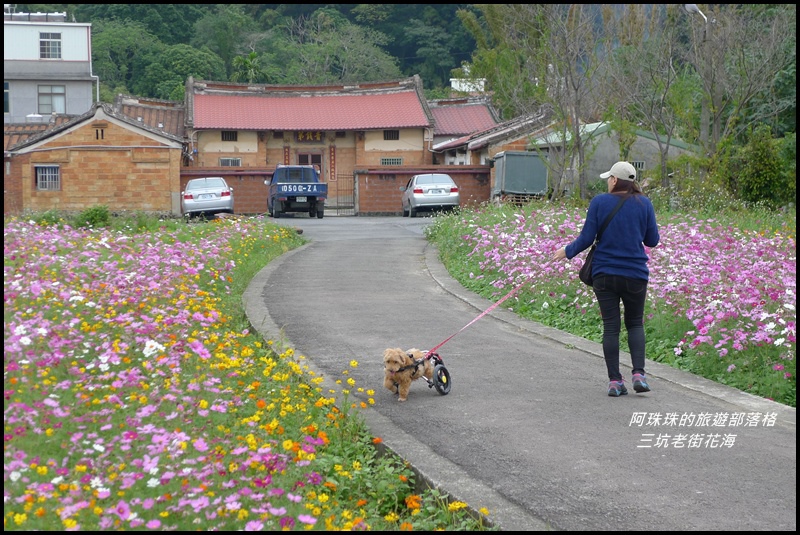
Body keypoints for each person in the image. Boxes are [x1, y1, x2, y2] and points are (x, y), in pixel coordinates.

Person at [552, 161, 660, 397]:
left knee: (611, 327)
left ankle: (614, 381)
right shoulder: (645, 203)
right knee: (635, 323)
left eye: (608, 178)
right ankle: (639, 374)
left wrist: (566, 251)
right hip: (635, 274)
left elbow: (587, 237)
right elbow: (652, 241)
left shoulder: (600, 202)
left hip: (604, 274)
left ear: (614, 180)